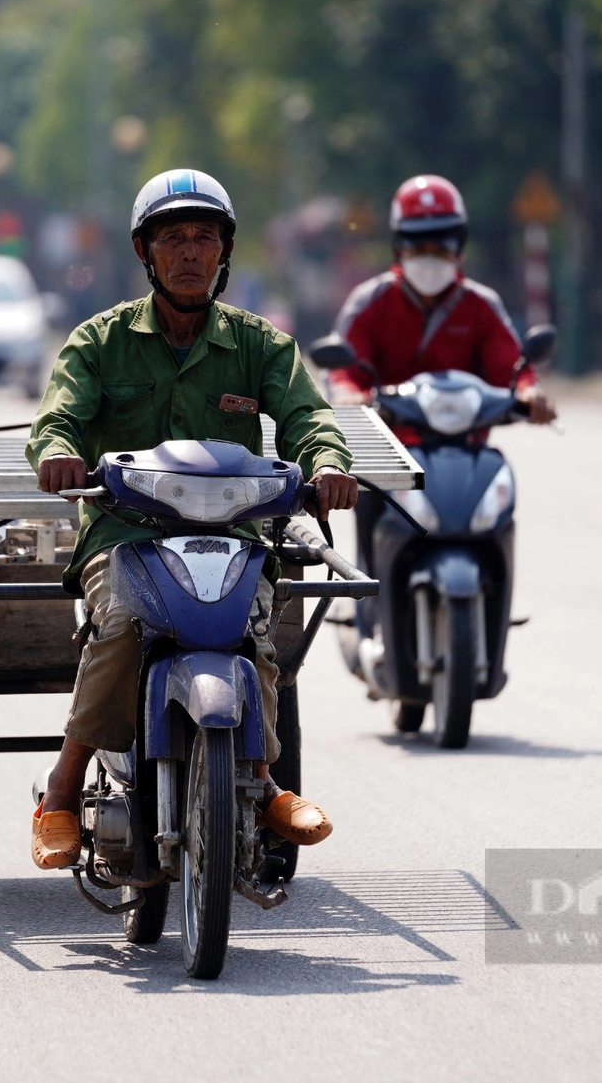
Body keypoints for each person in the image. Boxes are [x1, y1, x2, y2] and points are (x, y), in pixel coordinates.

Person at [26, 168, 360, 871]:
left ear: (223, 252)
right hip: (125, 532)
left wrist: (326, 463)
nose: (188, 252)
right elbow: (58, 415)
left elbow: (307, 415)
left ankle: (263, 782)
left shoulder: (259, 344)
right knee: (118, 623)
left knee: (258, 631)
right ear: (145, 253)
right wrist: (58, 452)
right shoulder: (99, 340)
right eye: (171, 238)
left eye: (203, 238)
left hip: (229, 534)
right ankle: (60, 790)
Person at [327, 174, 557, 427]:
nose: (430, 255)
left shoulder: (481, 305)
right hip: (385, 449)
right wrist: (346, 395)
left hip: (466, 447)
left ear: (459, 246)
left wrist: (529, 393)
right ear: (398, 247)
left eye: (441, 245)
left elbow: (511, 370)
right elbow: (344, 373)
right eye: (417, 245)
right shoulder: (369, 303)